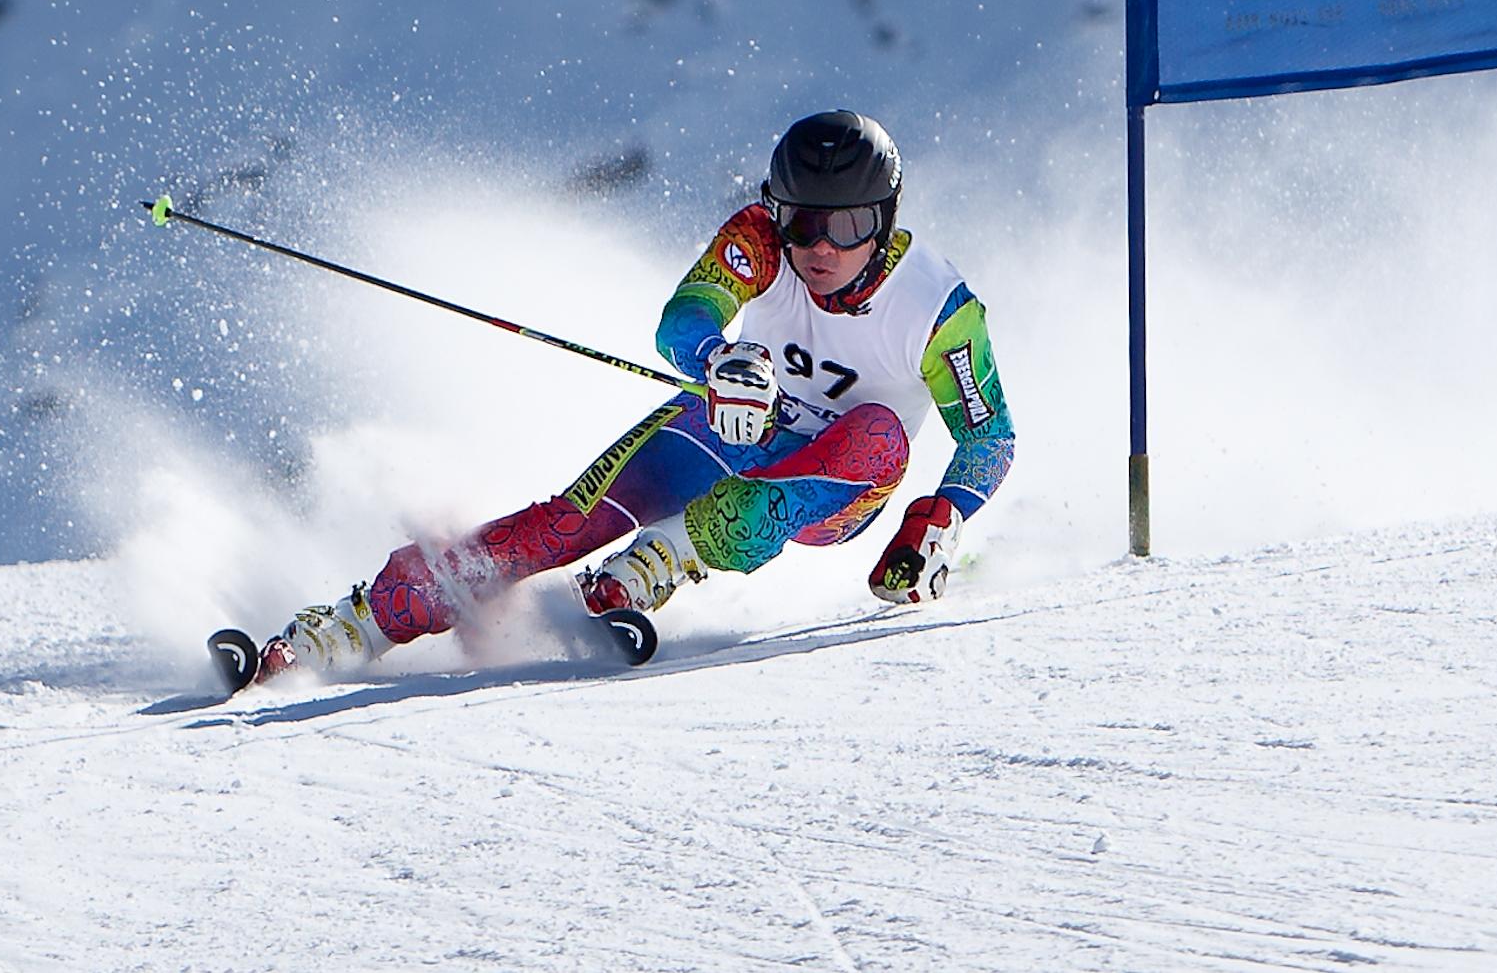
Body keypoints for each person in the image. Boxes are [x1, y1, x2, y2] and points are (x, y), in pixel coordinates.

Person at [255, 109, 1016, 682]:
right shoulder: (761, 238)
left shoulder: (938, 310)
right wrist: (719, 359)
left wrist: (938, 519)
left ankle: (665, 559)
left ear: (884, 222)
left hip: (837, 487)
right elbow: (682, 319)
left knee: (878, 431)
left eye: (846, 227)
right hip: (737, 423)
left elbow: (991, 438)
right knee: (565, 522)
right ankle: (359, 624)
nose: (820, 247)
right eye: (802, 222)